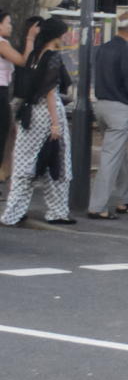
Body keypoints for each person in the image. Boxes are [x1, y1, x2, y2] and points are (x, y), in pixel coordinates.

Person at [1, 18, 73, 225]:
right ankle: (57, 211)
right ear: (57, 36)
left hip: (28, 112)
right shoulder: (53, 57)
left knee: (24, 164)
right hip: (48, 113)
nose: (64, 38)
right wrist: (56, 124)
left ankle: (12, 213)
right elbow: (50, 92)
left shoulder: (34, 55)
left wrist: (30, 38)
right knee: (58, 161)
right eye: (63, 34)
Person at [87, 12, 128, 220]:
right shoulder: (127, 52)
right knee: (111, 158)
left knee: (118, 154)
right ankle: (98, 206)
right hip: (119, 108)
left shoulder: (103, 48)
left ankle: (126, 197)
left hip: (101, 105)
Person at [0, 10, 29, 198]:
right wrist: (31, 41)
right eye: (8, 22)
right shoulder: (2, 43)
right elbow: (21, 61)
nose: (11, 26)